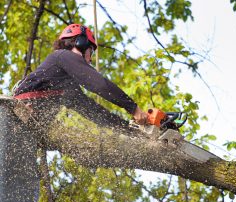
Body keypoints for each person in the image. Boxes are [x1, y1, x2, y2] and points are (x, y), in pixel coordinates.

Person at [13, 23, 148, 132]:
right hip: (15, 115)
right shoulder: (62, 56)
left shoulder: (65, 85)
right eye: (91, 51)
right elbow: (100, 84)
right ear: (80, 43)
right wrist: (133, 108)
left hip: (24, 127)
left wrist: (131, 130)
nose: (90, 59)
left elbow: (95, 113)